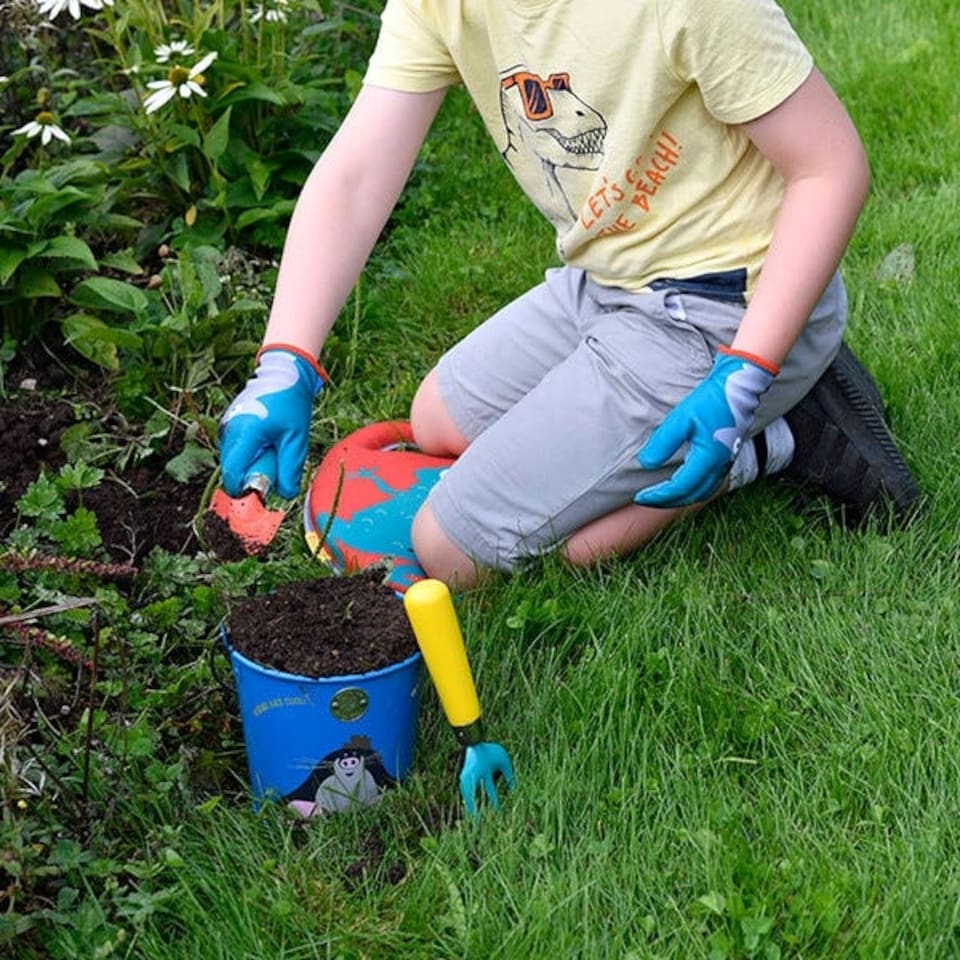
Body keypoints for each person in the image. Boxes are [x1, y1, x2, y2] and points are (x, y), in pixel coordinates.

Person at [219, 0, 919, 590]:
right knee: (436, 420)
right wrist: (286, 360)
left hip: (727, 309)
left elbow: (831, 168)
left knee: (455, 550)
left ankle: (776, 438)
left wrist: (749, 367)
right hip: (610, 284)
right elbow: (356, 176)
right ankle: (755, 401)